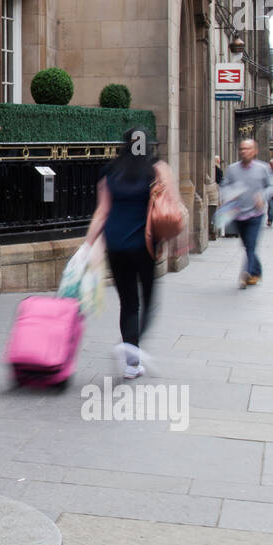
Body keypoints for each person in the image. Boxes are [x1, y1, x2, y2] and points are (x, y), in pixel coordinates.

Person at [85, 129, 177, 379]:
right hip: (144, 245)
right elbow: (171, 206)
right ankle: (131, 350)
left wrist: (88, 245)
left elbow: (102, 212)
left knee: (128, 302)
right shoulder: (156, 169)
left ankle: (131, 362)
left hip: (115, 245)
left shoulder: (110, 171)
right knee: (148, 300)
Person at [220, 138, 273, 286]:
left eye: (248, 148)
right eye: (242, 149)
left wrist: (262, 196)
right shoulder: (232, 169)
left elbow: (270, 186)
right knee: (247, 244)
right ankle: (257, 271)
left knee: (251, 244)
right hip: (238, 214)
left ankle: (247, 273)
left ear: (255, 151)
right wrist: (228, 195)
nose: (244, 151)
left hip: (256, 214)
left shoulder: (262, 168)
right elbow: (224, 186)